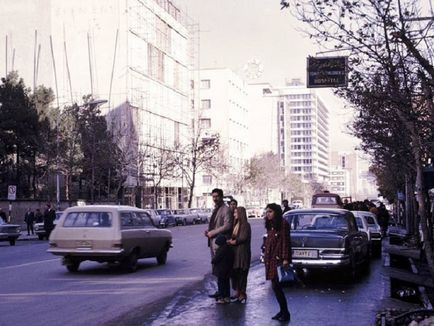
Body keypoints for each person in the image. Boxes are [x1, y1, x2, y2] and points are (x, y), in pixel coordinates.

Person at [263, 203, 291, 322]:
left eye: (270, 211)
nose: (268, 214)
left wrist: (285, 258)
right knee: (275, 287)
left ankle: (285, 312)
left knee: (277, 286)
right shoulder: (271, 224)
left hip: (278, 258)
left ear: (276, 212)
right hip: (271, 258)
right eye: (267, 211)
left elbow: (285, 241)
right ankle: (282, 311)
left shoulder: (282, 224)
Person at [205, 188, 233, 299]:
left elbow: (227, 226)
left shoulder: (225, 209)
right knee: (217, 268)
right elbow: (215, 224)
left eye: (217, 196)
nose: (215, 198)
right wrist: (208, 232)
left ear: (221, 197)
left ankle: (224, 294)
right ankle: (220, 291)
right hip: (213, 241)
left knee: (222, 269)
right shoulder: (216, 209)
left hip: (220, 243)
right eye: (213, 196)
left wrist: (213, 232)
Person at [228, 206, 251, 303]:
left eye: (236, 213)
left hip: (242, 252)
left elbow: (243, 238)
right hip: (235, 252)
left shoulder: (245, 225)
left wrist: (234, 242)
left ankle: (242, 293)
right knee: (236, 273)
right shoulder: (236, 224)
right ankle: (238, 291)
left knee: (242, 273)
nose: (234, 215)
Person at [212, 234, 234, 304]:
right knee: (226, 284)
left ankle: (222, 298)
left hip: (221, 271)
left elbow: (215, 260)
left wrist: (214, 257)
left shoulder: (221, 250)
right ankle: (227, 297)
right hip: (227, 270)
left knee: (221, 284)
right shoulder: (229, 248)